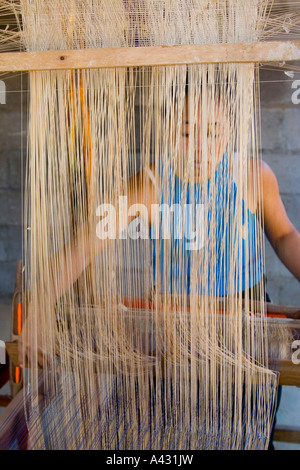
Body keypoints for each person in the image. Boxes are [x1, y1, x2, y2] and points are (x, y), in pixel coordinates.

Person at [18, 81, 300, 449]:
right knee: (174, 428)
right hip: (173, 323)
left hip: (243, 316)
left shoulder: (252, 176)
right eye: (185, 132)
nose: (200, 148)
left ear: (230, 128)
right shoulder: (149, 186)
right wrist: (39, 306)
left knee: (248, 429)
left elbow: (283, 236)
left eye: (214, 132)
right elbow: (83, 246)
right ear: (166, 129)